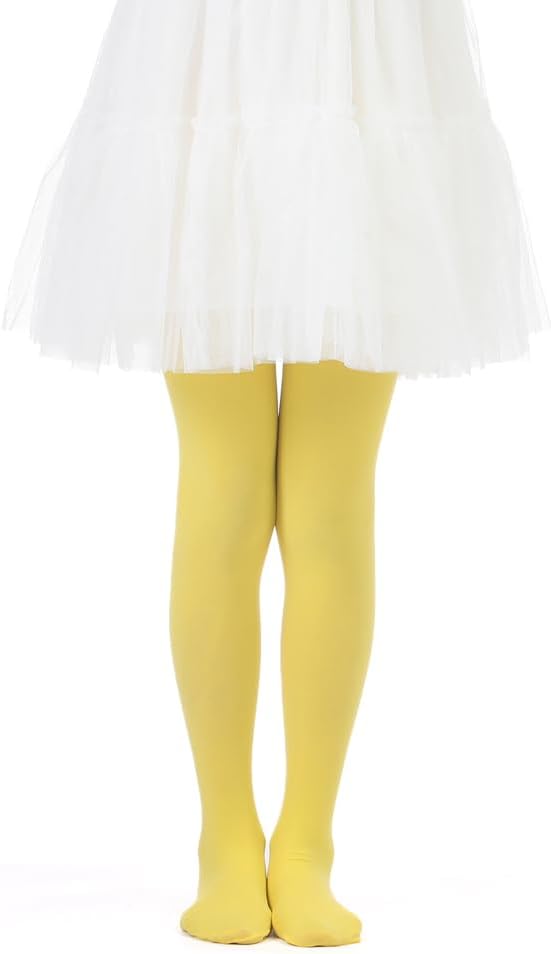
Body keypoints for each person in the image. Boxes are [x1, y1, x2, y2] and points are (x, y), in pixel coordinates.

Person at [2, 0, 549, 946]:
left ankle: (306, 842)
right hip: (203, 57)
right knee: (222, 482)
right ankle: (224, 834)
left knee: (331, 495)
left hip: (371, 62)